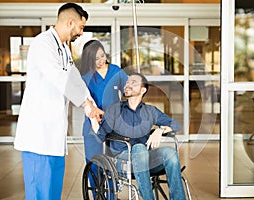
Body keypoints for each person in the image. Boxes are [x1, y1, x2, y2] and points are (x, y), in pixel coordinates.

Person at [14, 3, 100, 199]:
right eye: (81, 27)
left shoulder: (64, 50)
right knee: (39, 193)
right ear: (70, 22)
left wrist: (91, 106)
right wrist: (86, 104)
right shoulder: (42, 43)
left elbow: (74, 78)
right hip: (38, 135)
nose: (81, 32)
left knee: (53, 192)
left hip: (54, 135)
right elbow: (58, 77)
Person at [96, 72, 186, 200]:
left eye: (133, 83)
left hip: (146, 159)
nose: (128, 85)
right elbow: (100, 136)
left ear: (143, 90)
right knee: (139, 148)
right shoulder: (115, 110)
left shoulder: (150, 111)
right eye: (127, 83)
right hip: (122, 160)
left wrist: (160, 130)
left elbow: (176, 125)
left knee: (170, 153)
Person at [80, 39, 128, 198]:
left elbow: (128, 91)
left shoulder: (116, 72)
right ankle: (98, 197)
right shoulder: (86, 77)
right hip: (93, 127)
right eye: (96, 59)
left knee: (113, 165)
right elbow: (82, 100)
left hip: (114, 125)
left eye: (103, 56)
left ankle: (112, 196)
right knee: (95, 166)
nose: (101, 61)